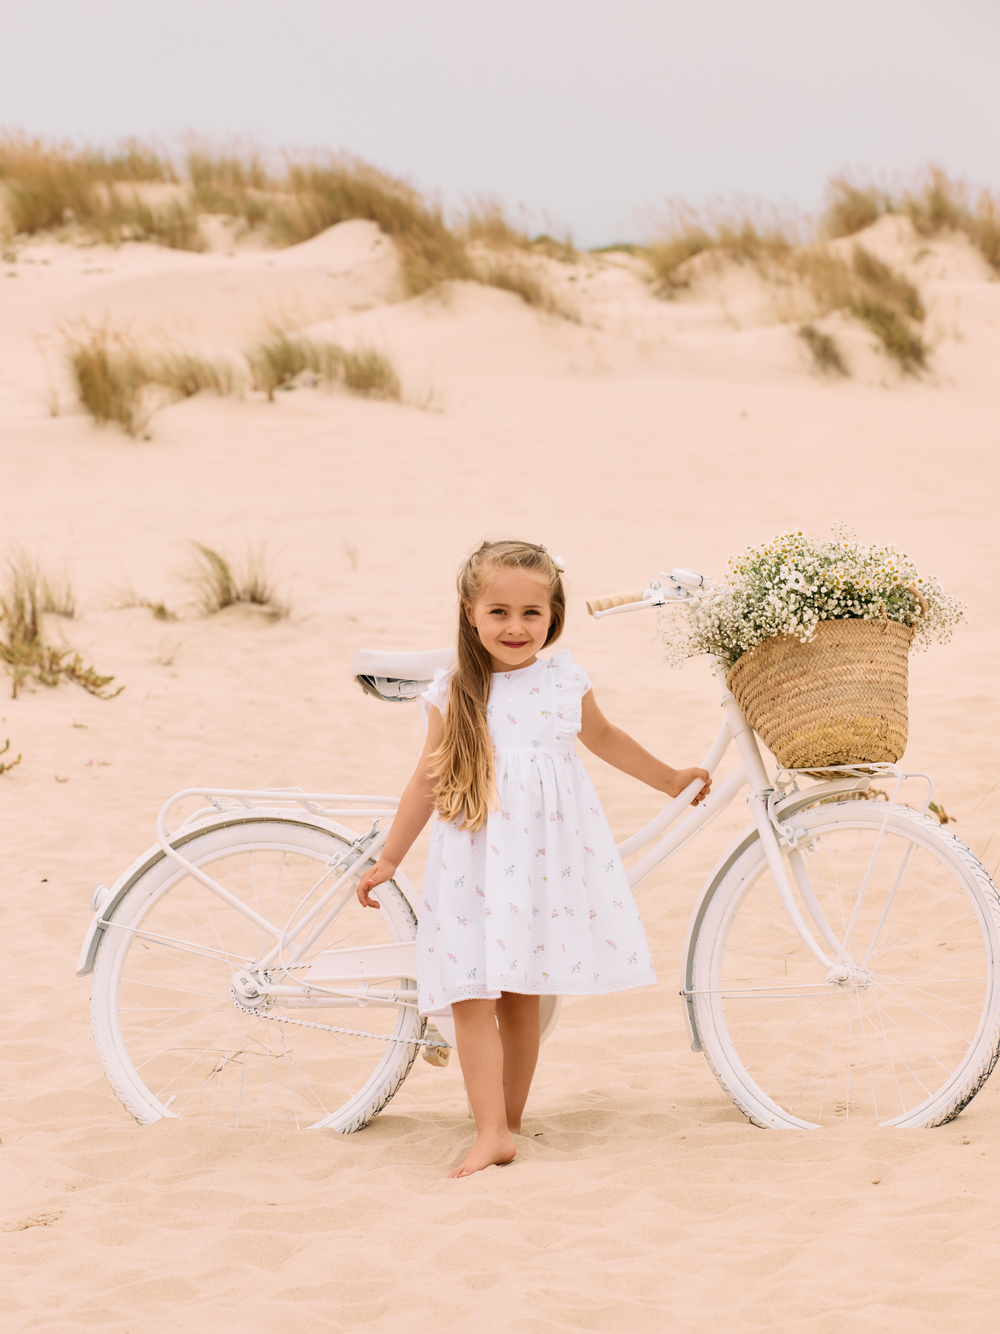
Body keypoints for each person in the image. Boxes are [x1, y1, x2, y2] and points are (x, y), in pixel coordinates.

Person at [356, 540, 710, 1177]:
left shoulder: (563, 679)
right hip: (471, 859)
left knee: (521, 993)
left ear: (554, 616)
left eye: (531, 613)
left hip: (538, 861)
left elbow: (604, 739)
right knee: (470, 993)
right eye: (498, 612)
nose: (515, 628)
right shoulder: (454, 689)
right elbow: (426, 779)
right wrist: (389, 859)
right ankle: (489, 1126)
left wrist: (666, 778)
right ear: (470, 613)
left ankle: (507, 1123)